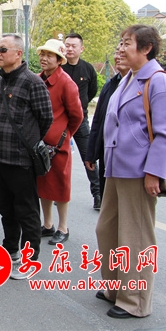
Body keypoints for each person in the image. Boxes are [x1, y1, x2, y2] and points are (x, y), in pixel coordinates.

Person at [95, 25, 166, 319]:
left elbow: (165, 133)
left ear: (146, 48)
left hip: (139, 171)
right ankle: (115, 287)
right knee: (107, 229)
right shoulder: (128, 78)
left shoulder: (158, 81)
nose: (121, 48)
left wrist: (154, 172)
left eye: (127, 43)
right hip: (116, 167)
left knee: (136, 236)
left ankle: (135, 301)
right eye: (120, 42)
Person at [0, 34, 53, 279]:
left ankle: (29, 260)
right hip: (0, 157)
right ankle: (10, 251)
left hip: (22, 160)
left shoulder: (32, 82)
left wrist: (28, 139)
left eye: (3, 49)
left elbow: (45, 118)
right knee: (6, 209)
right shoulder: (1, 81)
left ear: (18, 53)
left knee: (26, 211)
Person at [37, 39, 83, 245]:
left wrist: (64, 135)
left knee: (61, 185)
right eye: (42, 54)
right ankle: (47, 224)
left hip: (58, 145)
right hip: (40, 144)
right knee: (43, 184)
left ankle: (63, 227)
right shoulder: (37, 79)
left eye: (50, 55)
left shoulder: (66, 83)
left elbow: (77, 116)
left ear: (59, 60)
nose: (44, 58)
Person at [84, 45, 130, 209]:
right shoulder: (110, 85)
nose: (118, 56)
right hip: (107, 154)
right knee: (108, 204)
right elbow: (98, 121)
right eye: (116, 52)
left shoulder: (141, 85)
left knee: (127, 208)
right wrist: (91, 154)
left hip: (128, 158)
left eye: (122, 53)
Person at [62, 33, 101, 209]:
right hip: (61, 121)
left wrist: (80, 106)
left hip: (81, 120)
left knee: (89, 158)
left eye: (73, 46)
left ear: (81, 49)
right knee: (57, 159)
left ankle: (98, 194)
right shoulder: (59, 67)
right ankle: (56, 192)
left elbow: (92, 91)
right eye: (67, 45)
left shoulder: (87, 69)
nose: (70, 49)